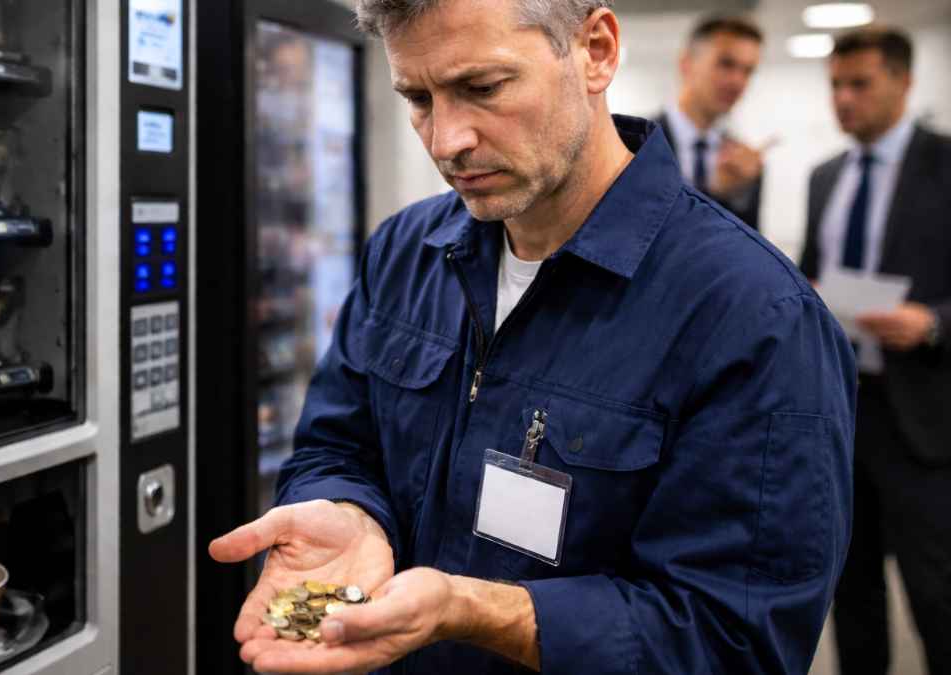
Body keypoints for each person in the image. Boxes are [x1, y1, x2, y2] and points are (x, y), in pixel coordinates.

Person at [211, 1, 856, 672]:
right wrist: (348, 509)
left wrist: (482, 611)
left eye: (482, 88)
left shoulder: (756, 318)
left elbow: (735, 641)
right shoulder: (405, 253)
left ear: (597, 51)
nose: (445, 141)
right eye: (419, 97)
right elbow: (335, 444)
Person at [798, 27, 951, 675]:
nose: (844, 98)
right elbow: (812, 270)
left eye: (859, 83)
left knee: (937, 595)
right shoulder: (824, 177)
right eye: (835, 84)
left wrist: (935, 321)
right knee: (849, 589)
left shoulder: (944, 164)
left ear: (904, 81)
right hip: (840, 410)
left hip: (925, 415)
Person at [655, 15, 768, 231]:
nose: (738, 81)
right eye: (726, 64)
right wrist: (714, 194)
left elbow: (748, 251)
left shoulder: (745, 165)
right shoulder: (634, 144)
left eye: (748, 71)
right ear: (686, 64)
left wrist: (734, 195)